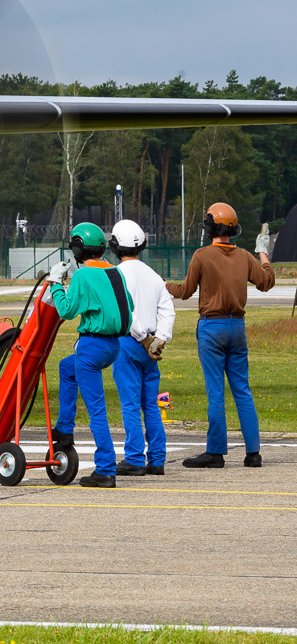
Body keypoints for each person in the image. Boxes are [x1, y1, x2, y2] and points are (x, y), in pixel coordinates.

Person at [166, 202, 274, 469]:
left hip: (212, 327)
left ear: (210, 227)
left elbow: (185, 291)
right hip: (237, 327)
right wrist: (263, 254)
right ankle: (253, 453)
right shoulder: (246, 256)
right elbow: (266, 282)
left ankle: (216, 452)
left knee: (216, 391)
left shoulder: (202, 256)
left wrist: (163, 284)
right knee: (242, 390)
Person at [47, 223, 135, 488]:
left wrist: (55, 283)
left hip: (92, 347)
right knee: (66, 367)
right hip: (113, 347)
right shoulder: (115, 272)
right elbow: (128, 305)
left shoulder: (84, 275)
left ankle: (106, 469)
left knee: (97, 411)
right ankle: (64, 428)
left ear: (77, 248)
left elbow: (66, 310)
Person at [107, 220, 176, 476]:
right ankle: (157, 459)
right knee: (150, 405)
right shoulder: (153, 275)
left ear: (114, 246)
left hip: (128, 343)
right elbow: (167, 310)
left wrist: (141, 336)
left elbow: (126, 310)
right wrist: (159, 339)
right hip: (151, 349)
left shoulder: (117, 274)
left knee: (130, 404)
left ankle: (134, 458)